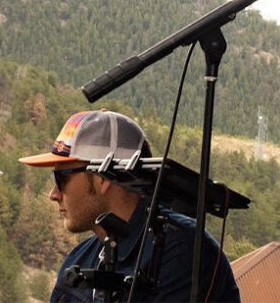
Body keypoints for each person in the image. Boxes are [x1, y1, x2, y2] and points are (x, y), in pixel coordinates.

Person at [20, 108, 241, 302]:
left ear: (102, 178)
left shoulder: (182, 253)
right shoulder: (79, 259)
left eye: (62, 179)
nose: (53, 194)